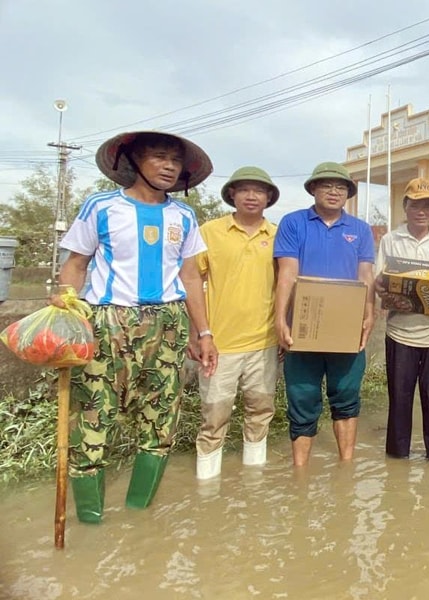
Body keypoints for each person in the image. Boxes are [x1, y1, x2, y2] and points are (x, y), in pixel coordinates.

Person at [53, 131, 217, 523]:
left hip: (168, 323)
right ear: (134, 161)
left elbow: (190, 277)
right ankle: (91, 519)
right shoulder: (101, 206)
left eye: (175, 160)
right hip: (108, 320)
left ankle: (139, 518)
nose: (169, 166)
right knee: (92, 416)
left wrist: (204, 333)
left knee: (161, 420)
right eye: (159, 157)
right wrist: (66, 310)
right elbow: (76, 264)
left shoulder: (184, 216)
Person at [273, 162, 376, 466]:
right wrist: (280, 319)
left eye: (341, 187)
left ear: (348, 193)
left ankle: (346, 467)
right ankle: (300, 472)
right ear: (313, 189)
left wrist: (370, 313)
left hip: (346, 328)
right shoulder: (293, 223)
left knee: (346, 395)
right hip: (304, 325)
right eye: (326, 185)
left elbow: (366, 276)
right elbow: (287, 273)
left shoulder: (360, 229)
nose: (334, 192)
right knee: (302, 397)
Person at [193, 166, 280, 479]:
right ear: (232, 194)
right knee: (214, 415)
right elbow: (191, 282)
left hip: (264, 342)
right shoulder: (210, 232)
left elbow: (288, 285)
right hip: (219, 344)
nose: (251, 196)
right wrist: (198, 334)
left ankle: (254, 483)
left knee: (261, 412)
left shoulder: (277, 235)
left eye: (259, 191)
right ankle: (206, 487)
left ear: (268, 197)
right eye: (244, 190)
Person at [374, 177, 429, 460]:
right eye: (415, 205)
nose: (422, 211)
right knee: (399, 398)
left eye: (428, 205)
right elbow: (378, 281)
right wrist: (383, 289)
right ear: (405, 207)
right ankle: (397, 458)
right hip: (400, 331)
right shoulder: (390, 240)